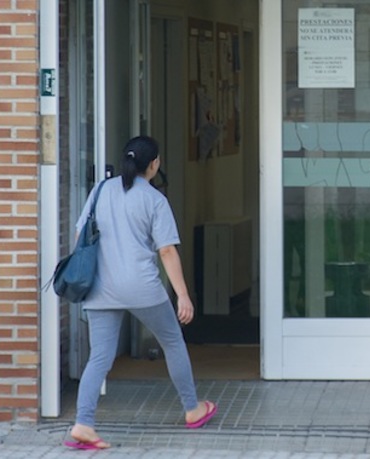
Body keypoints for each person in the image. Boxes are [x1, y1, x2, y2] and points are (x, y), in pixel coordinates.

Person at [65, 136, 217, 451]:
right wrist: (183, 295)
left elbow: (81, 236)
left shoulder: (100, 190)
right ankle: (192, 408)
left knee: (100, 356)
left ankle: (83, 423)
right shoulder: (154, 200)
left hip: (100, 287)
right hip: (142, 288)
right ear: (154, 164)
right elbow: (167, 252)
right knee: (172, 341)